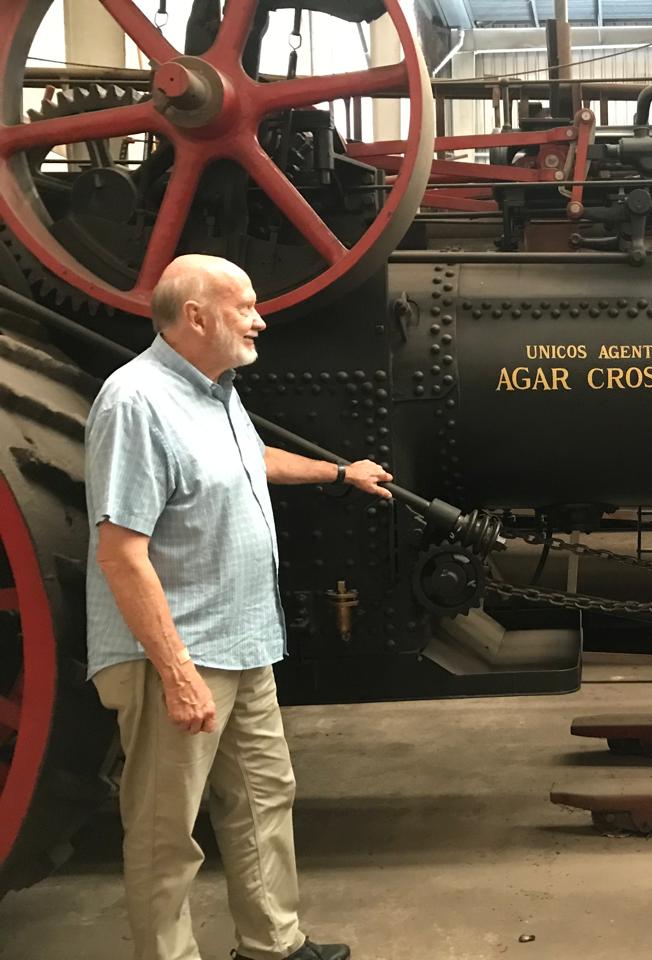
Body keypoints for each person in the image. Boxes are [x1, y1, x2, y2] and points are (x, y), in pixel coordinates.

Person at [86, 254, 392, 960]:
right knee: (166, 831)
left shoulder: (215, 392)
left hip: (243, 638)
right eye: (244, 307)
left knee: (264, 796)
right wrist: (177, 673)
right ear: (195, 317)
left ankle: (272, 944)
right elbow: (121, 553)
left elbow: (252, 460)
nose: (259, 321)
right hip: (180, 653)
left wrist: (338, 472)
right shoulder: (135, 402)